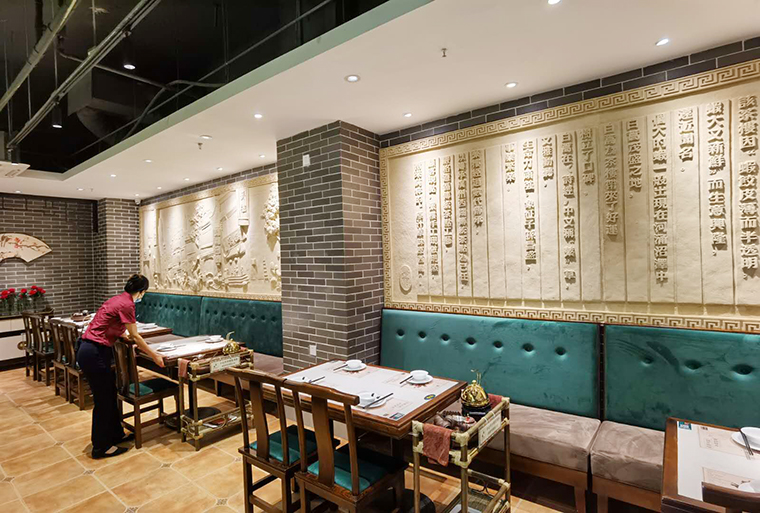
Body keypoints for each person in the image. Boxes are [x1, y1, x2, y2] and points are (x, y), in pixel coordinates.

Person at [76, 274, 165, 459]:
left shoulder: (117, 299)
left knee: (110, 394)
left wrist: (123, 336)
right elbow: (136, 336)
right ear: (142, 291)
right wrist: (154, 355)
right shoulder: (127, 304)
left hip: (89, 349)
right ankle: (101, 447)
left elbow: (111, 325)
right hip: (94, 352)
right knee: (103, 400)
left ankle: (116, 434)